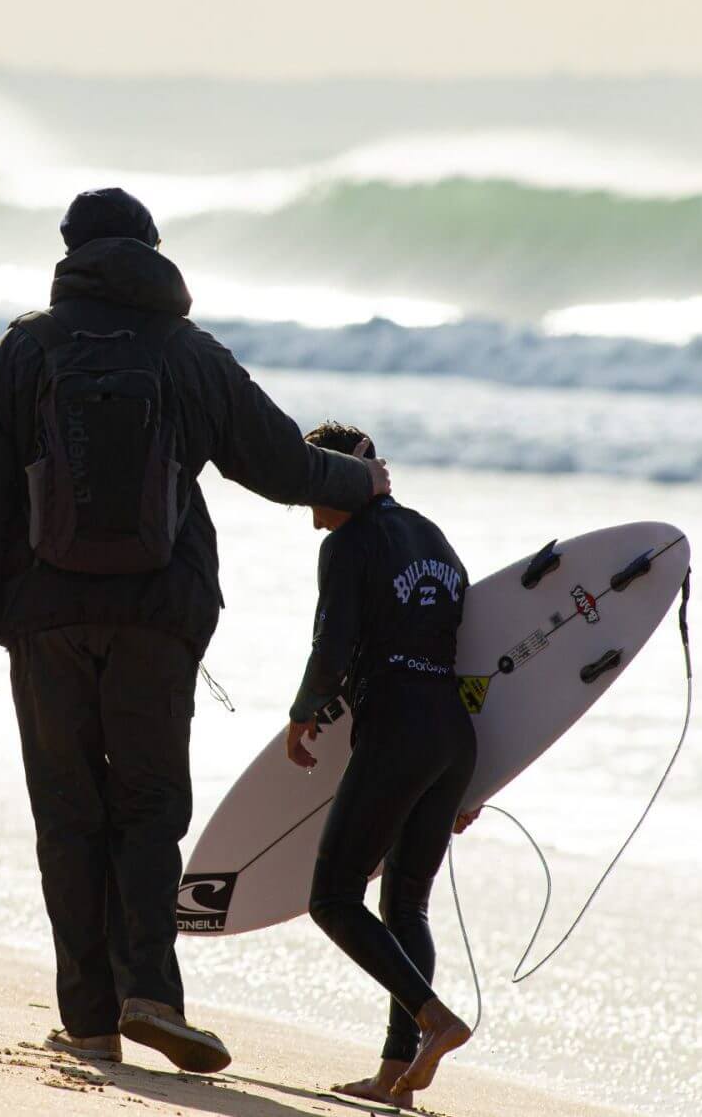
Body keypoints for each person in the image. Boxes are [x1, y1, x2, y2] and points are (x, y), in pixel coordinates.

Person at [0, 188, 391, 1072]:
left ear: (70, 250)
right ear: (152, 248)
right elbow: (275, 461)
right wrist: (359, 480)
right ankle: (150, 988)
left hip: (44, 617)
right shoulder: (187, 352)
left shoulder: (20, 351)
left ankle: (90, 1019)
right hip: (158, 614)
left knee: (68, 810)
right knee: (149, 805)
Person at [284, 421, 474, 1106]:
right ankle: (396, 1076)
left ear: (338, 480)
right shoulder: (432, 534)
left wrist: (305, 711)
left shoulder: (348, 544)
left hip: (396, 727)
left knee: (332, 895)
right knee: (406, 904)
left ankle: (434, 1018)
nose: (312, 518)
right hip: (453, 731)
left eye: (313, 493)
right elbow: (475, 644)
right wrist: (476, 774)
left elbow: (332, 642)